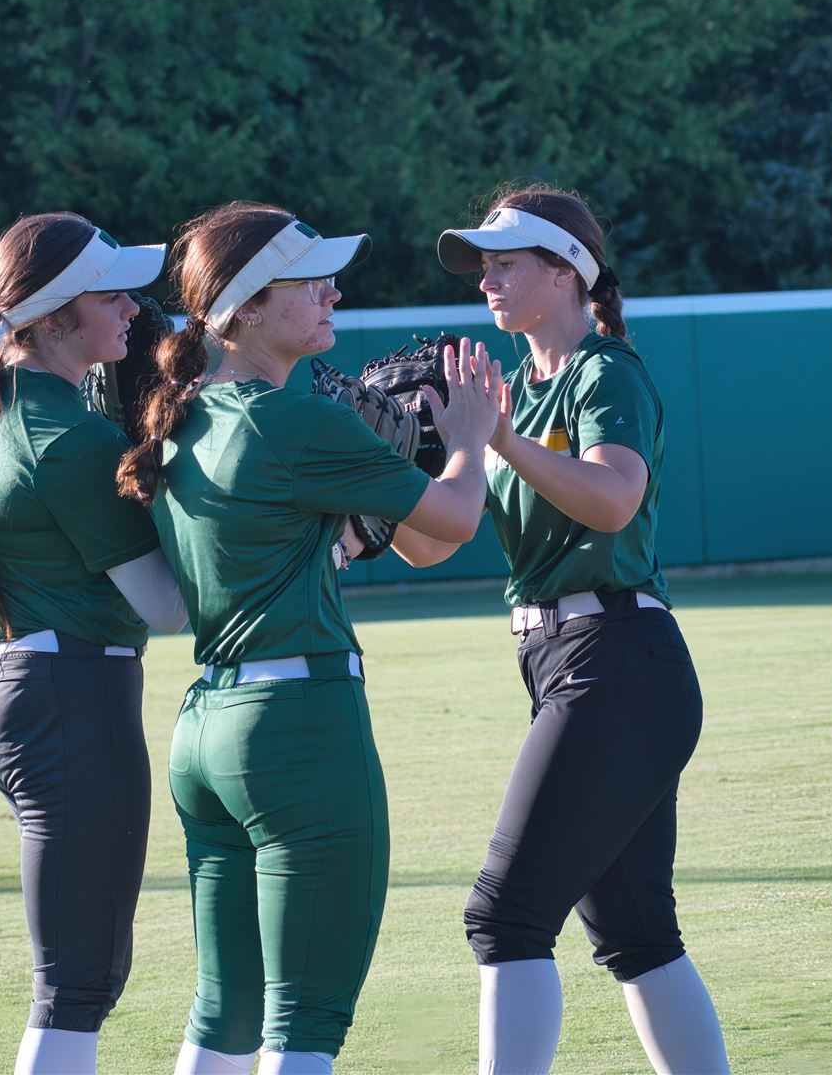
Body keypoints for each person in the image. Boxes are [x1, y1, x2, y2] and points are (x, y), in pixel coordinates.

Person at [117, 201, 499, 1075]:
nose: (332, 290)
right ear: (246, 306)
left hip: (207, 728)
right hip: (298, 728)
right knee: (305, 1020)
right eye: (308, 279)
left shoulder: (181, 417)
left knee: (225, 1013)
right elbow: (455, 519)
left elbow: (418, 544)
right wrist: (472, 439)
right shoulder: (294, 422)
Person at [394, 186, 730, 1074]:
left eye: (504, 265)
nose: (487, 284)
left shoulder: (603, 371)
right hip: (567, 663)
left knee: (504, 917)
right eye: (484, 269)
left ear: (565, 272)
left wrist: (497, 436)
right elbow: (432, 546)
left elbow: (615, 499)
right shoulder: (516, 393)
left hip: (619, 660)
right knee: (636, 934)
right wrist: (380, 483)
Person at [0, 212, 188, 1075]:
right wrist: (318, 533)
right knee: (76, 988)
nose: (131, 307)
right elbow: (165, 607)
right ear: (50, 317)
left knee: (79, 982)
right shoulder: (67, 435)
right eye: (108, 293)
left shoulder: (17, 409)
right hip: (71, 702)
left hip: (40, 693)